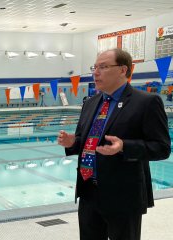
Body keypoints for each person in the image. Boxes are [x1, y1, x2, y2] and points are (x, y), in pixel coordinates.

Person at [58, 48, 170, 240]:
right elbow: (85, 143)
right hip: (88, 192)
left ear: (122, 70)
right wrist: (72, 142)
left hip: (123, 196)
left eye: (103, 67)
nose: (96, 72)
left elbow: (162, 148)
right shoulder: (90, 102)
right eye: (95, 67)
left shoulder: (146, 102)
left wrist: (124, 147)